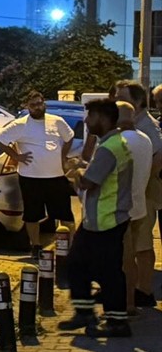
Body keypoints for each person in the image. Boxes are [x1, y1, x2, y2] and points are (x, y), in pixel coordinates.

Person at [59, 98, 133, 338]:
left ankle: (117, 322)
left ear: (102, 118)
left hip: (106, 220)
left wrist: (76, 170)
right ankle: (85, 313)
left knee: (108, 273)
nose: (86, 121)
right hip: (100, 219)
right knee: (76, 265)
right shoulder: (114, 143)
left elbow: (89, 182)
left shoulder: (109, 148)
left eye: (90, 116)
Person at [0, 91, 75, 259]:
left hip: (56, 176)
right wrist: (16, 156)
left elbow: (69, 137)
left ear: (44, 103)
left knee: (65, 214)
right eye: (33, 105)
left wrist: (63, 156)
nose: (37, 107)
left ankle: (69, 247)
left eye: (39, 103)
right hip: (30, 177)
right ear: (27, 106)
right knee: (32, 215)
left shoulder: (57, 121)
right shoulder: (20, 125)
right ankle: (36, 246)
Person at [114, 80, 162, 310]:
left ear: (138, 101)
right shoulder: (132, 124)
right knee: (132, 245)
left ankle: (143, 291)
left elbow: (158, 158)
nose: (116, 102)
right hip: (137, 192)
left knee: (141, 245)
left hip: (144, 192)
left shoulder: (147, 126)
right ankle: (133, 291)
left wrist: (140, 183)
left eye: (122, 98)